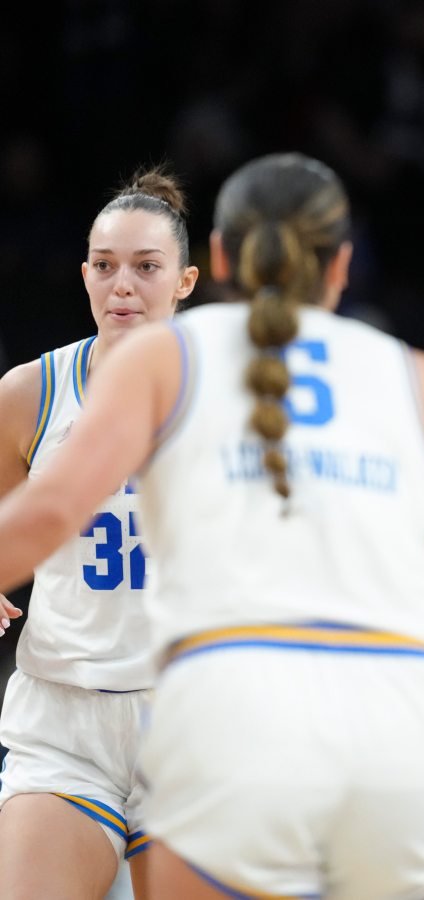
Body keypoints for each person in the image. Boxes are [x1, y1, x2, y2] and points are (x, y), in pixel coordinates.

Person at [0, 152, 424, 899]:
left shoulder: (166, 357)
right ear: (343, 265)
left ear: (213, 262)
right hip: (402, 705)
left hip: (245, 696)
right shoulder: (408, 371)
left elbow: (48, 513)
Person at [0, 168, 199, 899]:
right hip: (64, 717)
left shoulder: (238, 399)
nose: (124, 285)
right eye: (107, 267)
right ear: (84, 274)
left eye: (147, 268)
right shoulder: (31, 393)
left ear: (185, 281)